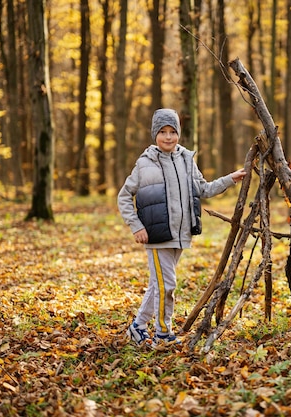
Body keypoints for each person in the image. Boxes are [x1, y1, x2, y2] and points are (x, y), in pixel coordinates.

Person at [118, 108, 246, 347]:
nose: (168, 137)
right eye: (163, 132)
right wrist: (136, 226)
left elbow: (203, 189)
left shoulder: (187, 159)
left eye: (173, 132)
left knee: (159, 284)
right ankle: (163, 334)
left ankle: (137, 326)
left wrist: (230, 178)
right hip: (156, 236)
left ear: (179, 134)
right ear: (155, 134)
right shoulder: (145, 164)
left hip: (180, 234)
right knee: (167, 285)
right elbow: (124, 196)